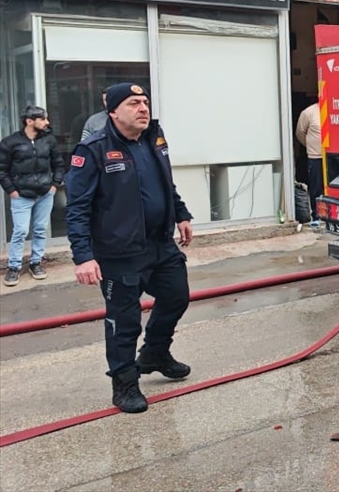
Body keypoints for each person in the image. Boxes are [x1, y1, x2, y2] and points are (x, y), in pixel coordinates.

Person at [65, 83, 195, 413]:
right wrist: (83, 256)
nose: (143, 108)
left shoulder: (154, 137)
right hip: (118, 252)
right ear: (113, 112)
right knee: (124, 320)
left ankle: (155, 352)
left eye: (145, 102)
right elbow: (77, 207)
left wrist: (181, 214)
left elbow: (166, 182)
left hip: (159, 244)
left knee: (177, 296)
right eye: (134, 103)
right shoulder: (93, 149)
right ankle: (124, 384)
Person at [0, 105, 65, 286]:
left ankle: (36, 263)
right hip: (21, 195)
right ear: (30, 121)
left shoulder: (49, 141)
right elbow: (2, 169)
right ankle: (14, 267)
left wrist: (54, 185)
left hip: (45, 193)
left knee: (40, 229)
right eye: (43, 119)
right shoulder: (10, 142)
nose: (47, 122)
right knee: (20, 231)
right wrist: (11, 191)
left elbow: (59, 164)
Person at [295, 101, 323, 227]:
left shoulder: (335, 108)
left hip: (334, 157)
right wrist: (310, 147)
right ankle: (317, 215)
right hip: (315, 157)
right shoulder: (308, 112)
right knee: (316, 188)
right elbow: (300, 133)